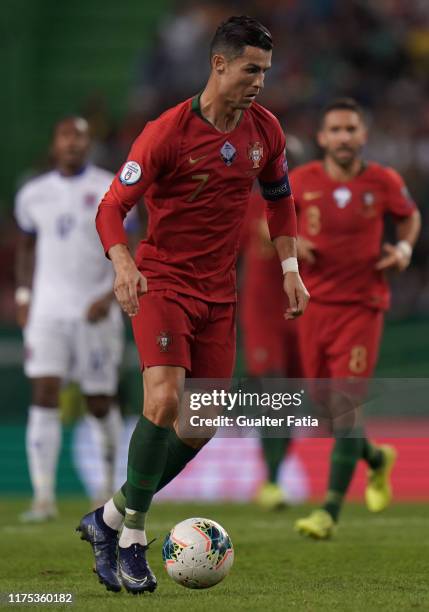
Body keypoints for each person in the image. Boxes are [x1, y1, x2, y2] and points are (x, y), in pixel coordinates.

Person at [77, 16, 309, 594]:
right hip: (163, 282)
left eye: (266, 71)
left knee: (203, 421)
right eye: (251, 69)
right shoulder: (167, 132)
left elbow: (280, 202)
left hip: (218, 293)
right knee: (161, 400)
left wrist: (289, 269)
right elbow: (111, 207)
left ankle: (106, 518)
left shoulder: (266, 131)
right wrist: (125, 263)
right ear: (219, 64)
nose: (259, 81)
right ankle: (131, 538)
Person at [292, 98, 421, 539]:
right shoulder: (300, 182)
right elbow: (271, 228)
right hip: (314, 307)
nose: (344, 137)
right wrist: (291, 244)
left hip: (363, 307)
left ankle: (327, 511)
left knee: (346, 405)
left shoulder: (383, 181)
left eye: (351, 129)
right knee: (323, 408)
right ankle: (377, 458)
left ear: (363, 135)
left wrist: (403, 250)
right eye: (336, 130)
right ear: (322, 138)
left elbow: (410, 218)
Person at [14, 117, 124, 522]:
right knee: (44, 393)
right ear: (54, 143)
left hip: (94, 312)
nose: (73, 144)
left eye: (80, 137)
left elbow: (132, 245)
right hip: (47, 311)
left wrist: (111, 293)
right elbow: (26, 247)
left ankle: (108, 487)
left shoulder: (109, 186)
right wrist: (25, 295)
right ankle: (43, 497)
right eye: (65, 136)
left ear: (88, 144)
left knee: (98, 401)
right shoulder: (32, 194)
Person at [239, 137, 305, 510]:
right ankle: (272, 479)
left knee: (292, 396)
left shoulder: (310, 205)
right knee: (272, 389)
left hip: (301, 311)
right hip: (262, 312)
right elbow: (240, 250)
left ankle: (277, 474)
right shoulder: (249, 206)